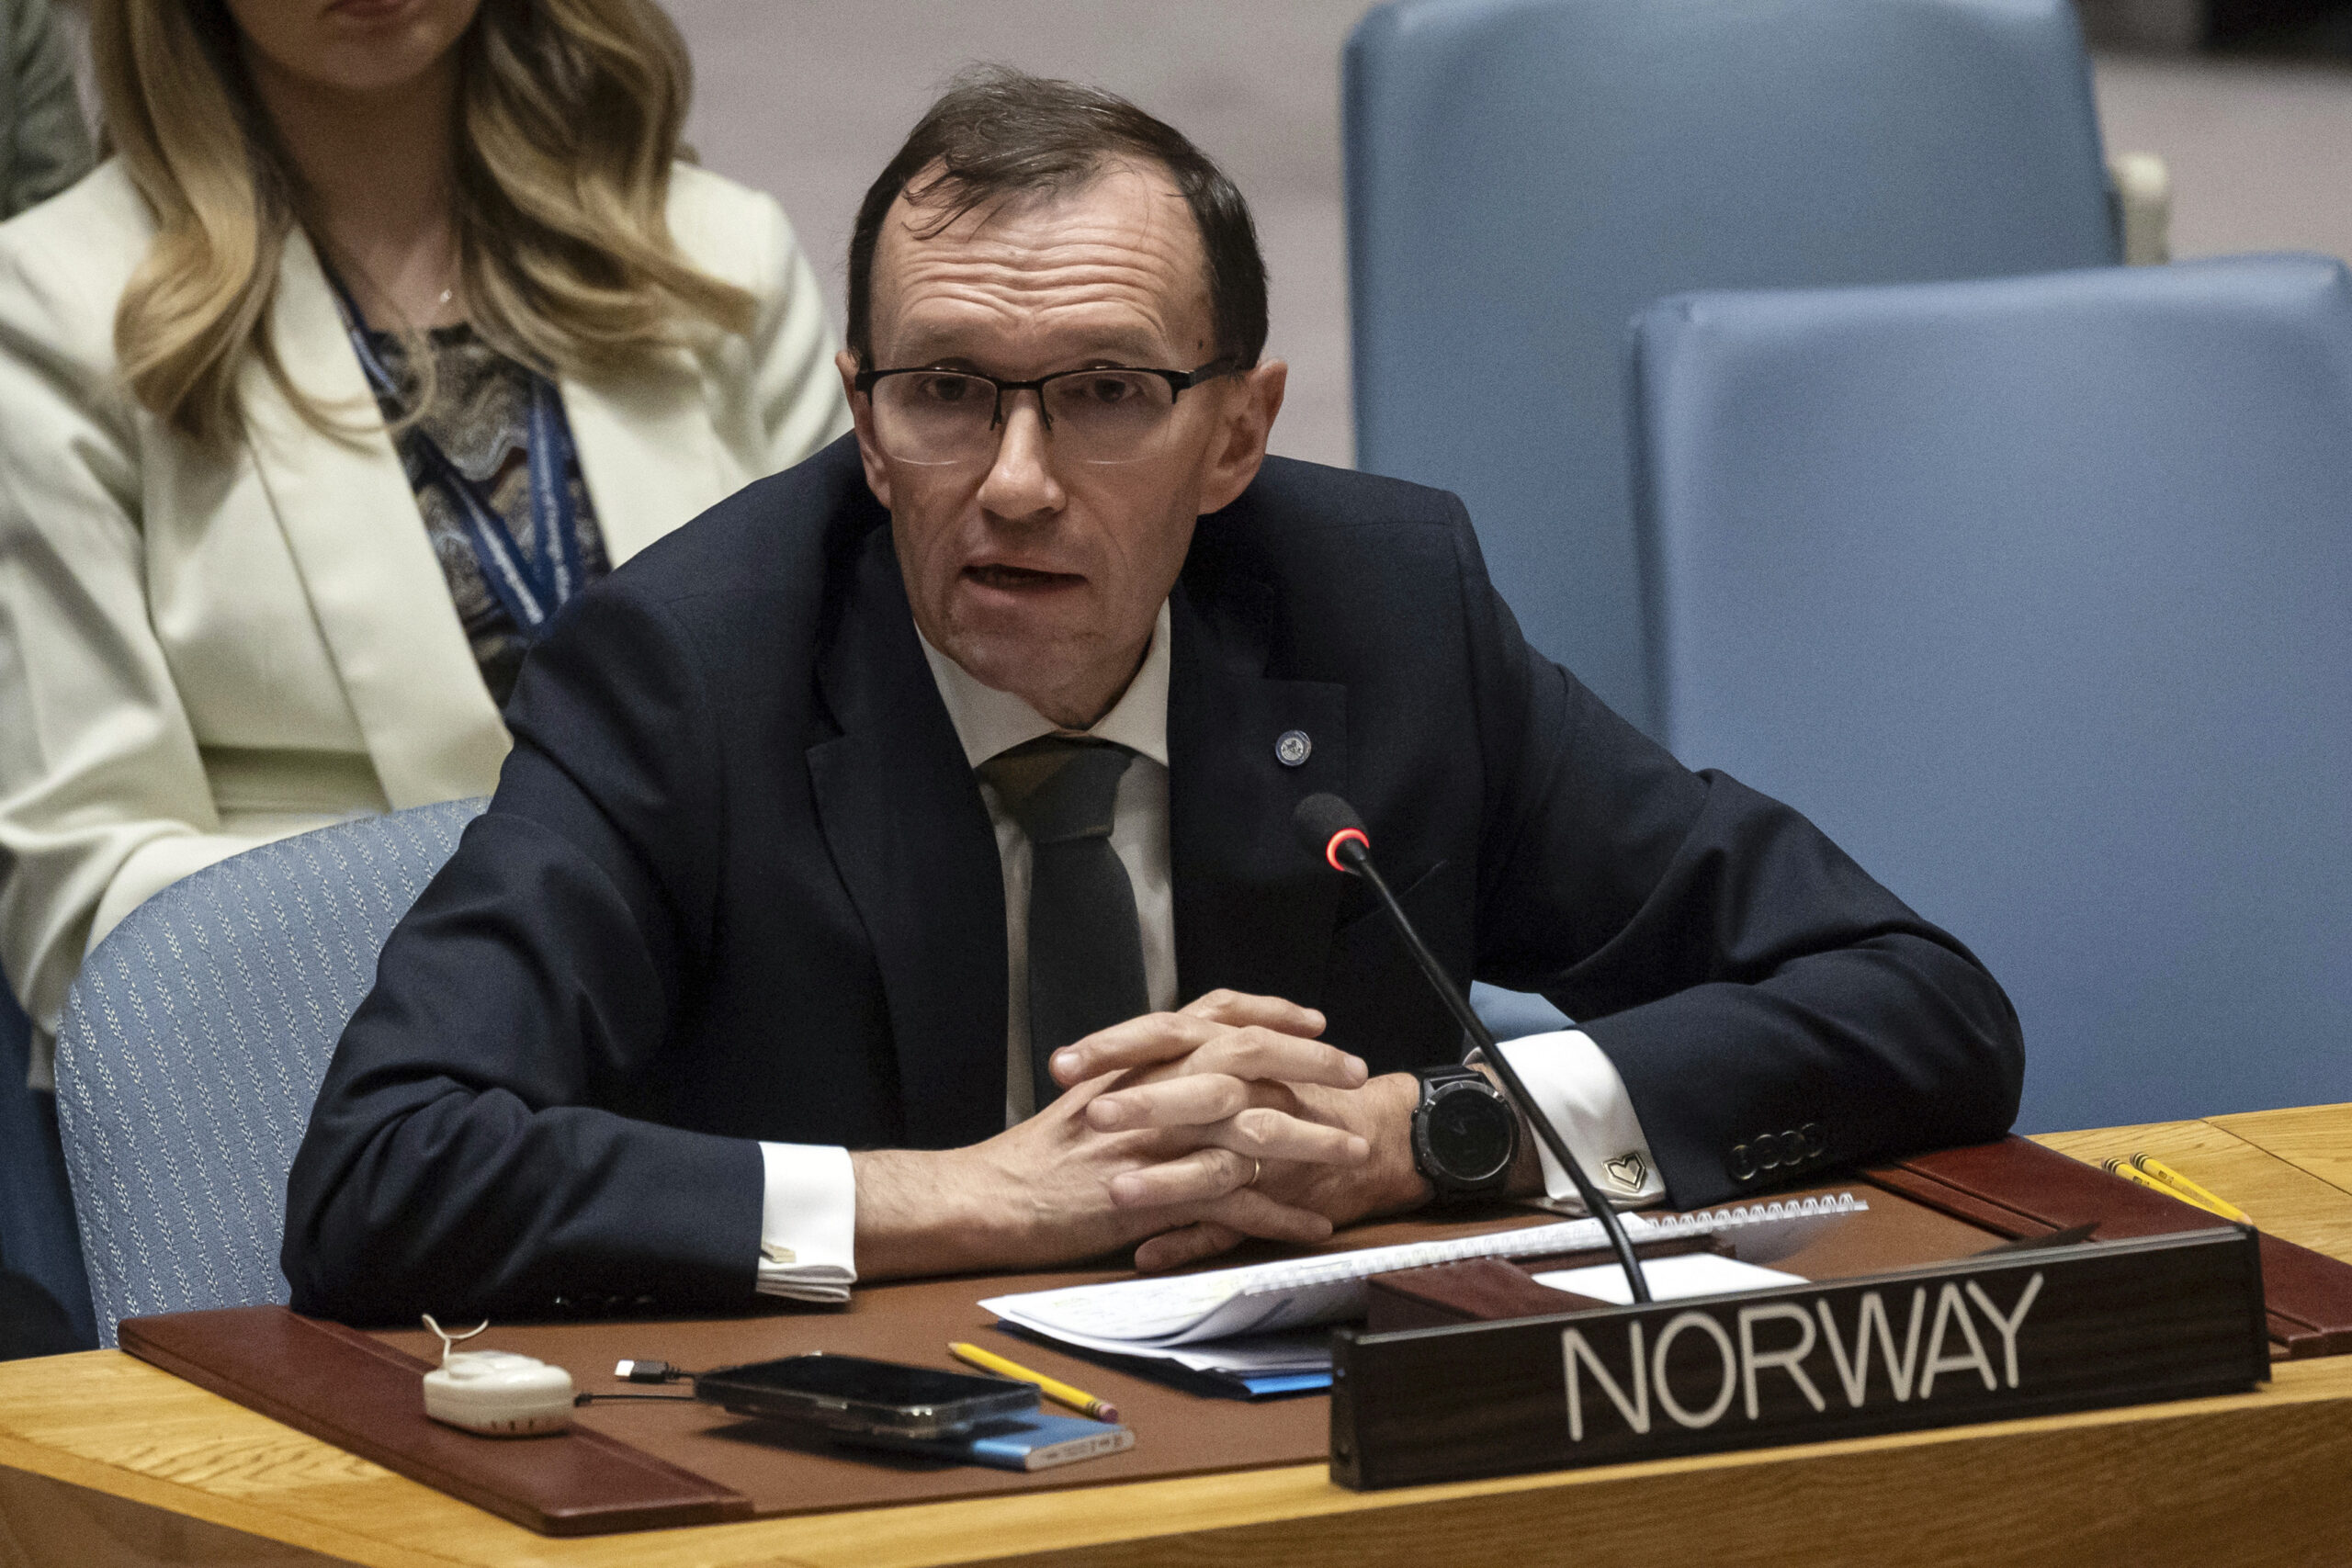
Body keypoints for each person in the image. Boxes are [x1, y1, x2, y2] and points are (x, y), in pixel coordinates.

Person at [283, 70, 2021, 1322]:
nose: (1017, 480)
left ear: (1238, 434)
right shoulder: (690, 668)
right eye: (948, 390)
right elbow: (385, 1173)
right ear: (863, 419)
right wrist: (968, 1195)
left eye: (1108, 391)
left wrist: (1435, 1133)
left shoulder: (1388, 612)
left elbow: (1918, 1003)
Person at [0, 0, 845, 1091]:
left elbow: (862, 761)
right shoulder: (52, 305)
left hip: (737, 1085)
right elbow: (83, 895)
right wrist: (573, 926)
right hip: (306, 1118)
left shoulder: (723, 257)